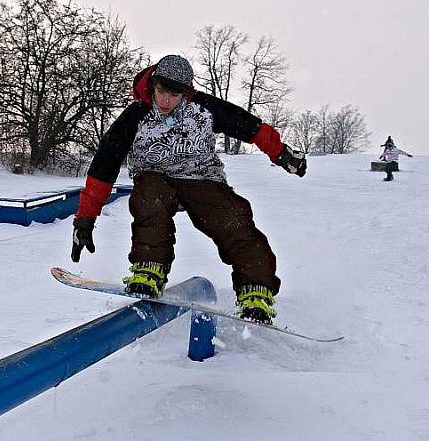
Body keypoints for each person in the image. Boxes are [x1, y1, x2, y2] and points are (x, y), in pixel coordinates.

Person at [70, 55, 307, 324]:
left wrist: (282, 154)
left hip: (201, 178)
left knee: (234, 219)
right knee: (149, 200)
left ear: (186, 92)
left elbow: (250, 127)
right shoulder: (135, 117)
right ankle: (150, 268)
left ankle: (256, 290)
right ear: (152, 86)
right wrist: (85, 218)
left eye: (174, 95)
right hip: (155, 179)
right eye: (161, 92)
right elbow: (104, 166)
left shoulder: (203, 109)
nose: (166, 102)